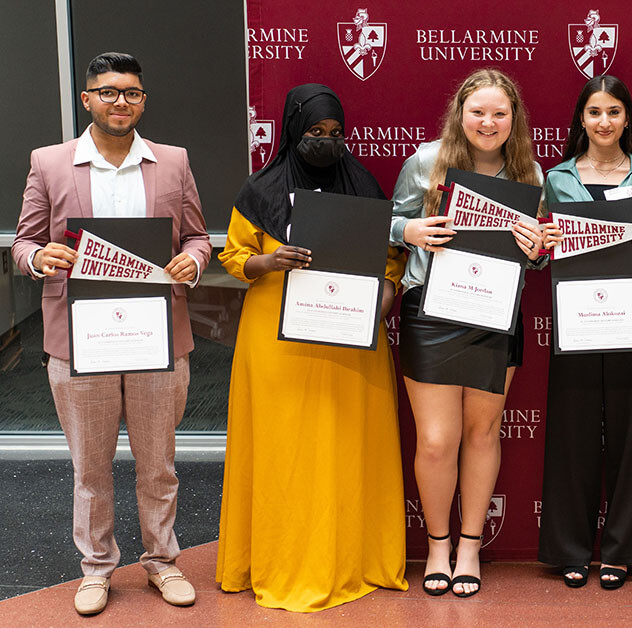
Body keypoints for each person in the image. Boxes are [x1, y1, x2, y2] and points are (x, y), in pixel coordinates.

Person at [12, 52, 211, 615]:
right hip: (81, 339)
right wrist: (38, 258)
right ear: (87, 100)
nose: (120, 102)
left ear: (142, 101)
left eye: (131, 93)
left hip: (156, 336)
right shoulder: (50, 162)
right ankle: (97, 568)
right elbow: (24, 243)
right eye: (108, 92)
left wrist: (194, 261)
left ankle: (161, 561)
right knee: (91, 467)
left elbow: (197, 237)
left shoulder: (172, 161)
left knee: (159, 464)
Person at [215, 84, 408, 612]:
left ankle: (354, 559)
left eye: (335, 133)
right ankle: (278, 560)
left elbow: (391, 259)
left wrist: (386, 295)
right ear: (293, 130)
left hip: (349, 337)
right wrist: (269, 261)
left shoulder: (363, 186)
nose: (325, 141)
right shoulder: (260, 190)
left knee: (346, 446)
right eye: (315, 132)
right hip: (276, 340)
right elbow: (234, 257)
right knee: (284, 452)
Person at [390, 68, 545, 598]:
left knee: (482, 434)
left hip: (495, 314)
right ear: (460, 114)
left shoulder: (529, 173)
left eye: (500, 113)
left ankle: (470, 547)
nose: (488, 122)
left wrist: (536, 250)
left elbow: (539, 257)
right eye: (478, 111)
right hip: (431, 311)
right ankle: (438, 545)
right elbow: (388, 224)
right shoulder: (425, 162)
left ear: (514, 119)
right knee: (437, 441)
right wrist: (409, 230)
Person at [537, 75, 632, 590]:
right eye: (595, 112)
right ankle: (570, 548)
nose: (604, 121)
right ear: (581, 119)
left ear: (627, 119)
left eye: (614, 112)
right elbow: (541, 253)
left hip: (630, 316)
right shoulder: (557, 177)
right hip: (576, 318)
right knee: (573, 433)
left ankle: (623, 549)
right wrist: (543, 243)